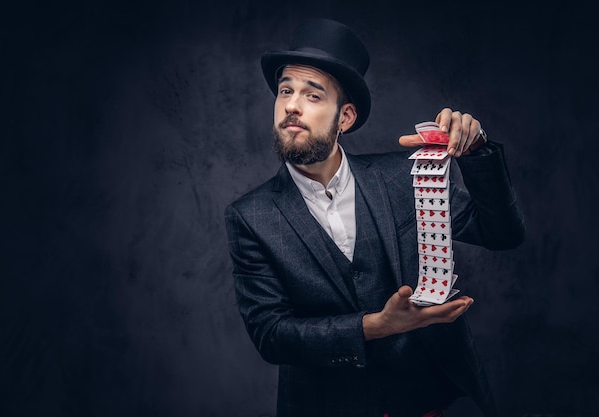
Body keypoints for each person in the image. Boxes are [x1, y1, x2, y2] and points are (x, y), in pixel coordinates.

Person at [224, 18, 525, 417]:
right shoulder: (249, 216)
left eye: (313, 96)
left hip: (427, 401)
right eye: (285, 91)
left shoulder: (404, 176)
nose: (291, 106)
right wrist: (376, 326)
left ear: (344, 118)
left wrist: (477, 153)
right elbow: (272, 335)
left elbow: (501, 233)